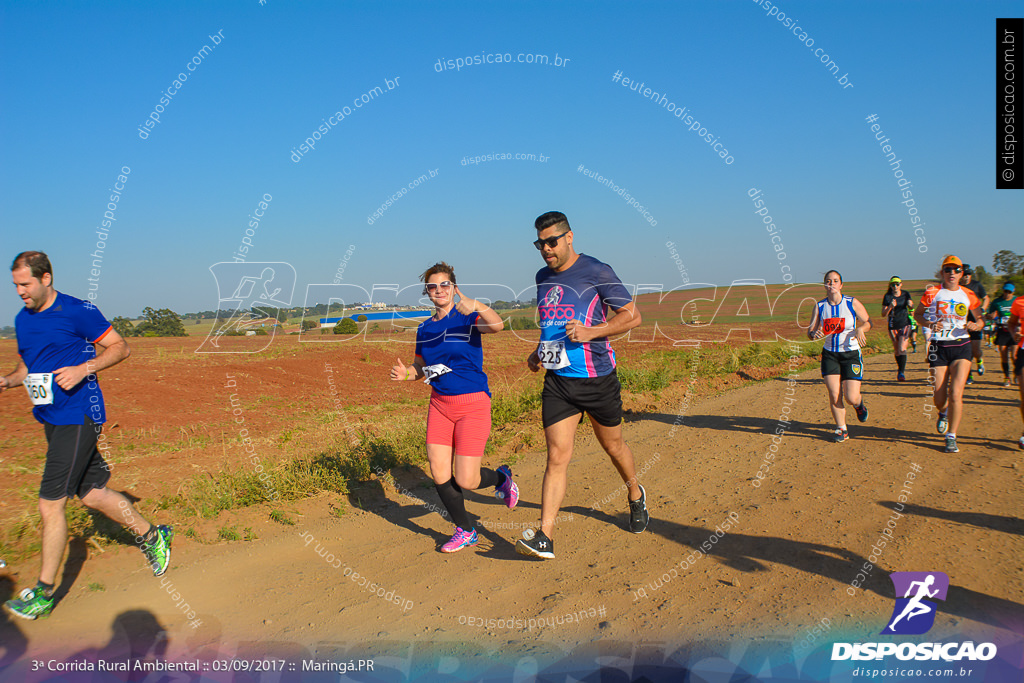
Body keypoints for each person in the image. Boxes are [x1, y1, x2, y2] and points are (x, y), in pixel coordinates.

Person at [1, 252, 172, 620]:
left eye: (25, 284)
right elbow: (28, 363)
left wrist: (83, 369)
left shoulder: (78, 310)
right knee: (92, 493)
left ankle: (44, 594)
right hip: (50, 416)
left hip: (79, 416)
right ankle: (153, 535)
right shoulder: (23, 318)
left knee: (50, 503)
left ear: (46, 278)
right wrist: (9, 380)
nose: (19, 292)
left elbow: (120, 347)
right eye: (15, 285)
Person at [516, 211, 647, 559]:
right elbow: (552, 322)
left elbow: (633, 316)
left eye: (551, 241)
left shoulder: (596, 271)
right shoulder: (542, 276)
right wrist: (538, 352)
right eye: (539, 243)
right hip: (558, 382)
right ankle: (545, 536)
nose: (545, 249)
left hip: (598, 380)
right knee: (557, 457)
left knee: (614, 447)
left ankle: (635, 494)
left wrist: (593, 331)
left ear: (569, 237)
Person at [389, 262, 517, 553]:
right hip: (440, 406)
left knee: (467, 479)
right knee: (439, 471)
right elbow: (422, 365)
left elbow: (497, 326)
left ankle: (501, 478)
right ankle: (466, 530)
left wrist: (475, 304)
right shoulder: (425, 328)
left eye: (444, 285)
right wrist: (406, 374)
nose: (438, 291)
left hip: (473, 404)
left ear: (453, 287)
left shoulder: (467, 317)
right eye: (432, 287)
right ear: (427, 292)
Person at [915, 255, 985, 454]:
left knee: (956, 393)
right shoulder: (933, 293)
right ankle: (943, 413)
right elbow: (917, 315)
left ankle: (951, 436)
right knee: (939, 398)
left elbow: (981, 320)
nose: (952, 273)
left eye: (956, 270)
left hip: (962, 346)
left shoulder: (968, 294)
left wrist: (975, 324)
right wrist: (929, 324)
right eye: (948, 269)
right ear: (942, 272)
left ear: (962, 273)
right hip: (939, 347)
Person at [807, 270, 872, 442]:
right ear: (825, 285)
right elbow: (811, 331)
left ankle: (859, 405)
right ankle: (841, 429)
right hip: (830, 354)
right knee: (834, 393)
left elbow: (868, 322)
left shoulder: (852, 303)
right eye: (828, 281)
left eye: (835, 281)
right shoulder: (820, 307)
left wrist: (860, 329)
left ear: (841, 285)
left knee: (850, 396)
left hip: (850, 354)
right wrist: (815, 334)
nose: (832, 284)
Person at [960, 265, 989, 384]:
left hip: (976, 321)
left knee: (975, 350)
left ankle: (979, 360)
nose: (967, 277)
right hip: (962, 322)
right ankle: (968, 374)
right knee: (965, 350)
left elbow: (986, 298)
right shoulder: (957, 287)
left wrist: (982, 309)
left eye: (969, 274)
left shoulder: (977, 285)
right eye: (965, 274)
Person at [881, 276, 913, 380]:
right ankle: (900, 368)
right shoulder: (888, 296)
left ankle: (901, 373)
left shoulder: (905, 294)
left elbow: (911, 306)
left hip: (905, 323)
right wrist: (890, 307)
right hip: (893, 325)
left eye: (897, 284)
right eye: (893, 284)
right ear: (890, 286)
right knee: (897, 351)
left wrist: (910, 305)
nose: (895, 286)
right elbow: (883, 314)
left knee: (902, 348)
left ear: (901, 284)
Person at [987, 283, 1018, 387]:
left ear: (1013, 292)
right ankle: (1007, 377)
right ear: (1003, 291)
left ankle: (1017, 373)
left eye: (1009, 292)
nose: (1007, 294)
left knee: (1014, 356)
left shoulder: (1017, 301)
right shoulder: (997, 302)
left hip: (1014, 331)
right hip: (1002, 331)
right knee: (1004, 356)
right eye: (1006, 291)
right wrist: (990, 316)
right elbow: (989, 314)